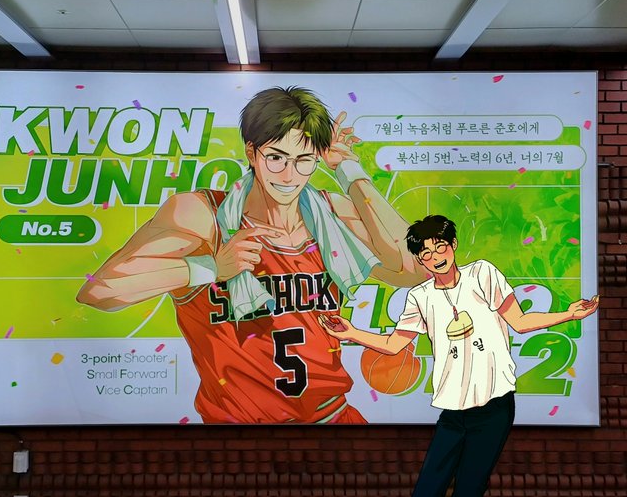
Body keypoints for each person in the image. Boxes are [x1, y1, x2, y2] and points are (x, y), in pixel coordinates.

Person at [77, 86, 422, 424]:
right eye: (276, 158)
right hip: (240, 436)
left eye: (303, 160)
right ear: (251, 153)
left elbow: (412, 267)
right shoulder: (203, 215)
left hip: (333, 422)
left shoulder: (329, 215)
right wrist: (210, 268)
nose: (289, 175)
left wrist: (348, 169)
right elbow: (101, 290)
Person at [319, 214, 599, 495]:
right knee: (427, 490)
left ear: (453, 244)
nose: (435, 257)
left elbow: (520, 321)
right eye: (426, 253)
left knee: (469, 489)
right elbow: (394, 344)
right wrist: (352, 333)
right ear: (420, 260)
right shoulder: (420, 296)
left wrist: (569, 315)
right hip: (453, 412)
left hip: (493, 407)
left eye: (439, 247)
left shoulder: (482, 274)